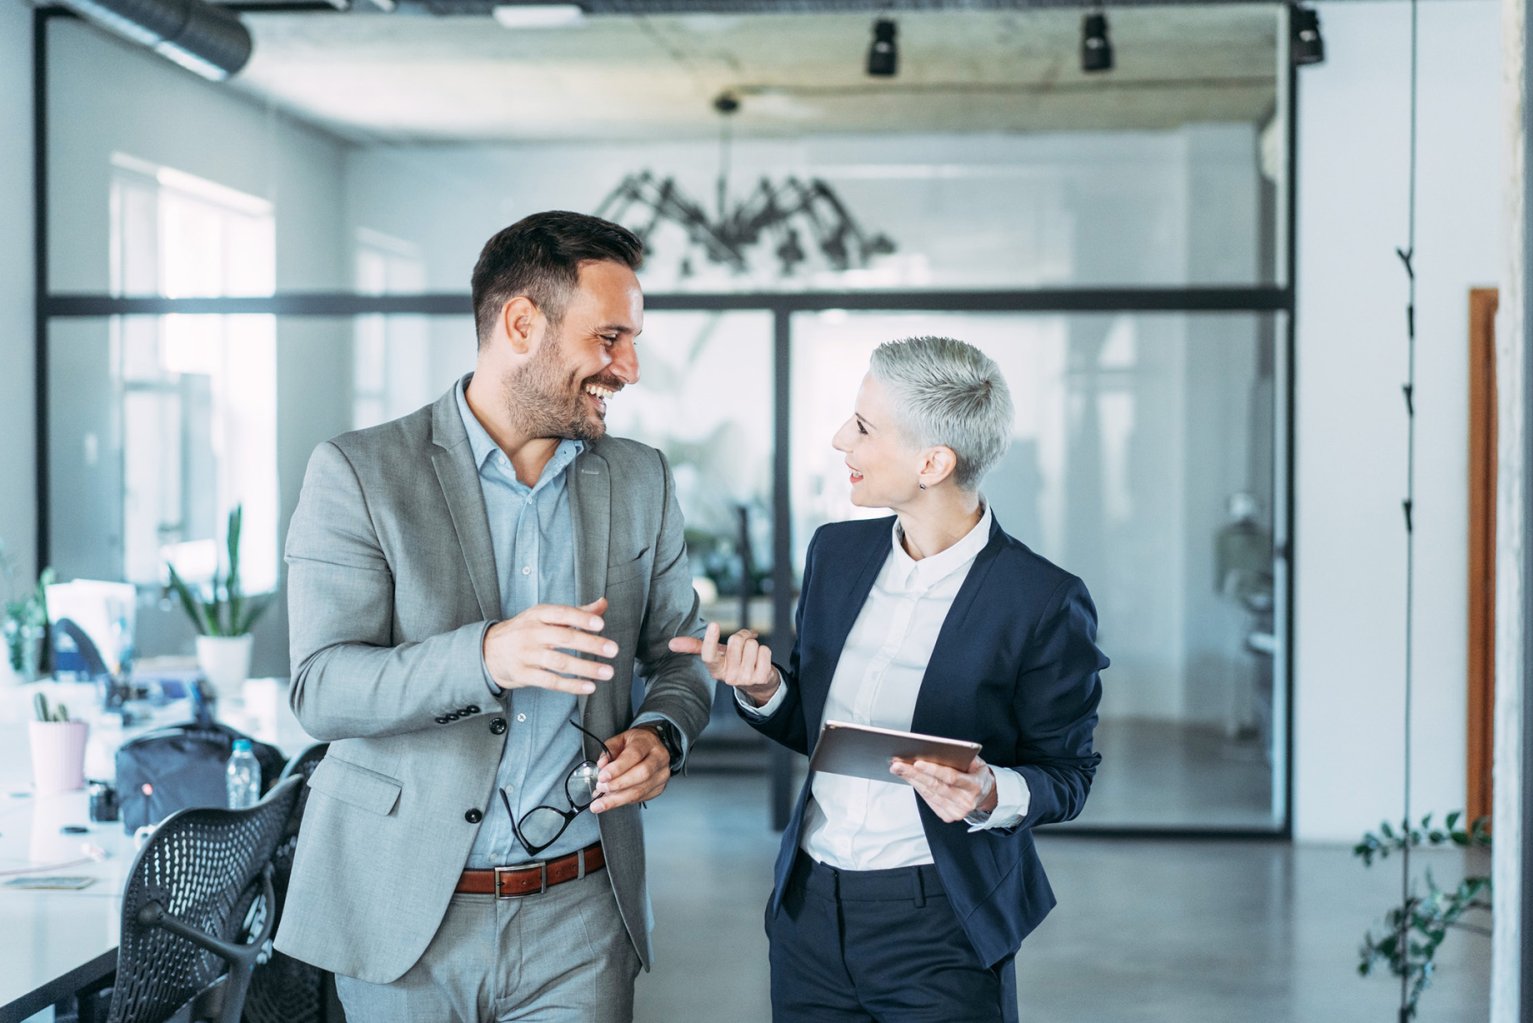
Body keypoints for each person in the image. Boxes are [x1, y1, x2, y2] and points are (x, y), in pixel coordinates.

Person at [275, 211, 715, 1023]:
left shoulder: (641, 478)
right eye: (610, 337)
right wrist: (485, 657)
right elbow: (321, 688)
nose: (630, 367)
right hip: (400, 916)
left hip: (579, 919)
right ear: (521, 323)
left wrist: (663, 735)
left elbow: (680, 656)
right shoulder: (359, 471)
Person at [671, 335, 1107, 1022]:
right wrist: (763, 691)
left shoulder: (1041, 599)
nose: (842, 439)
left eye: (865, 427)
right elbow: (821, 727)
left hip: (942, 920)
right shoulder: (835, 553)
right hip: (809, 911)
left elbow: (1069, 773)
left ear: (933, 462)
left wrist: (992, 791)